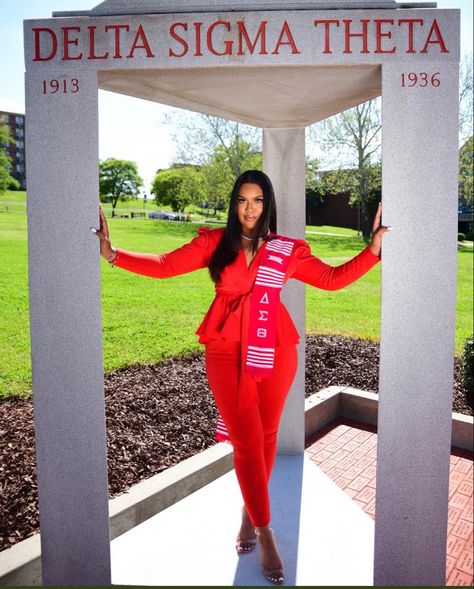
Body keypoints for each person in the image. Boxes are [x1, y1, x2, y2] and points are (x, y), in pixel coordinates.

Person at [92, 170, 388, 585]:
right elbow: (164, 266)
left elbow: (331, 279)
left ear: (268, 205)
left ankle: (249, 516)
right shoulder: (215, 242)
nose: (249, 209)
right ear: (234, 204)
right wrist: (113, 253)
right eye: (242, 200)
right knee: (247, 439)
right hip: (226, 347)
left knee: (266, 436)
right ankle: (266, 532)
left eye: (258, 201)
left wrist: (373, 250)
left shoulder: (286, 250)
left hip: (274, 348)